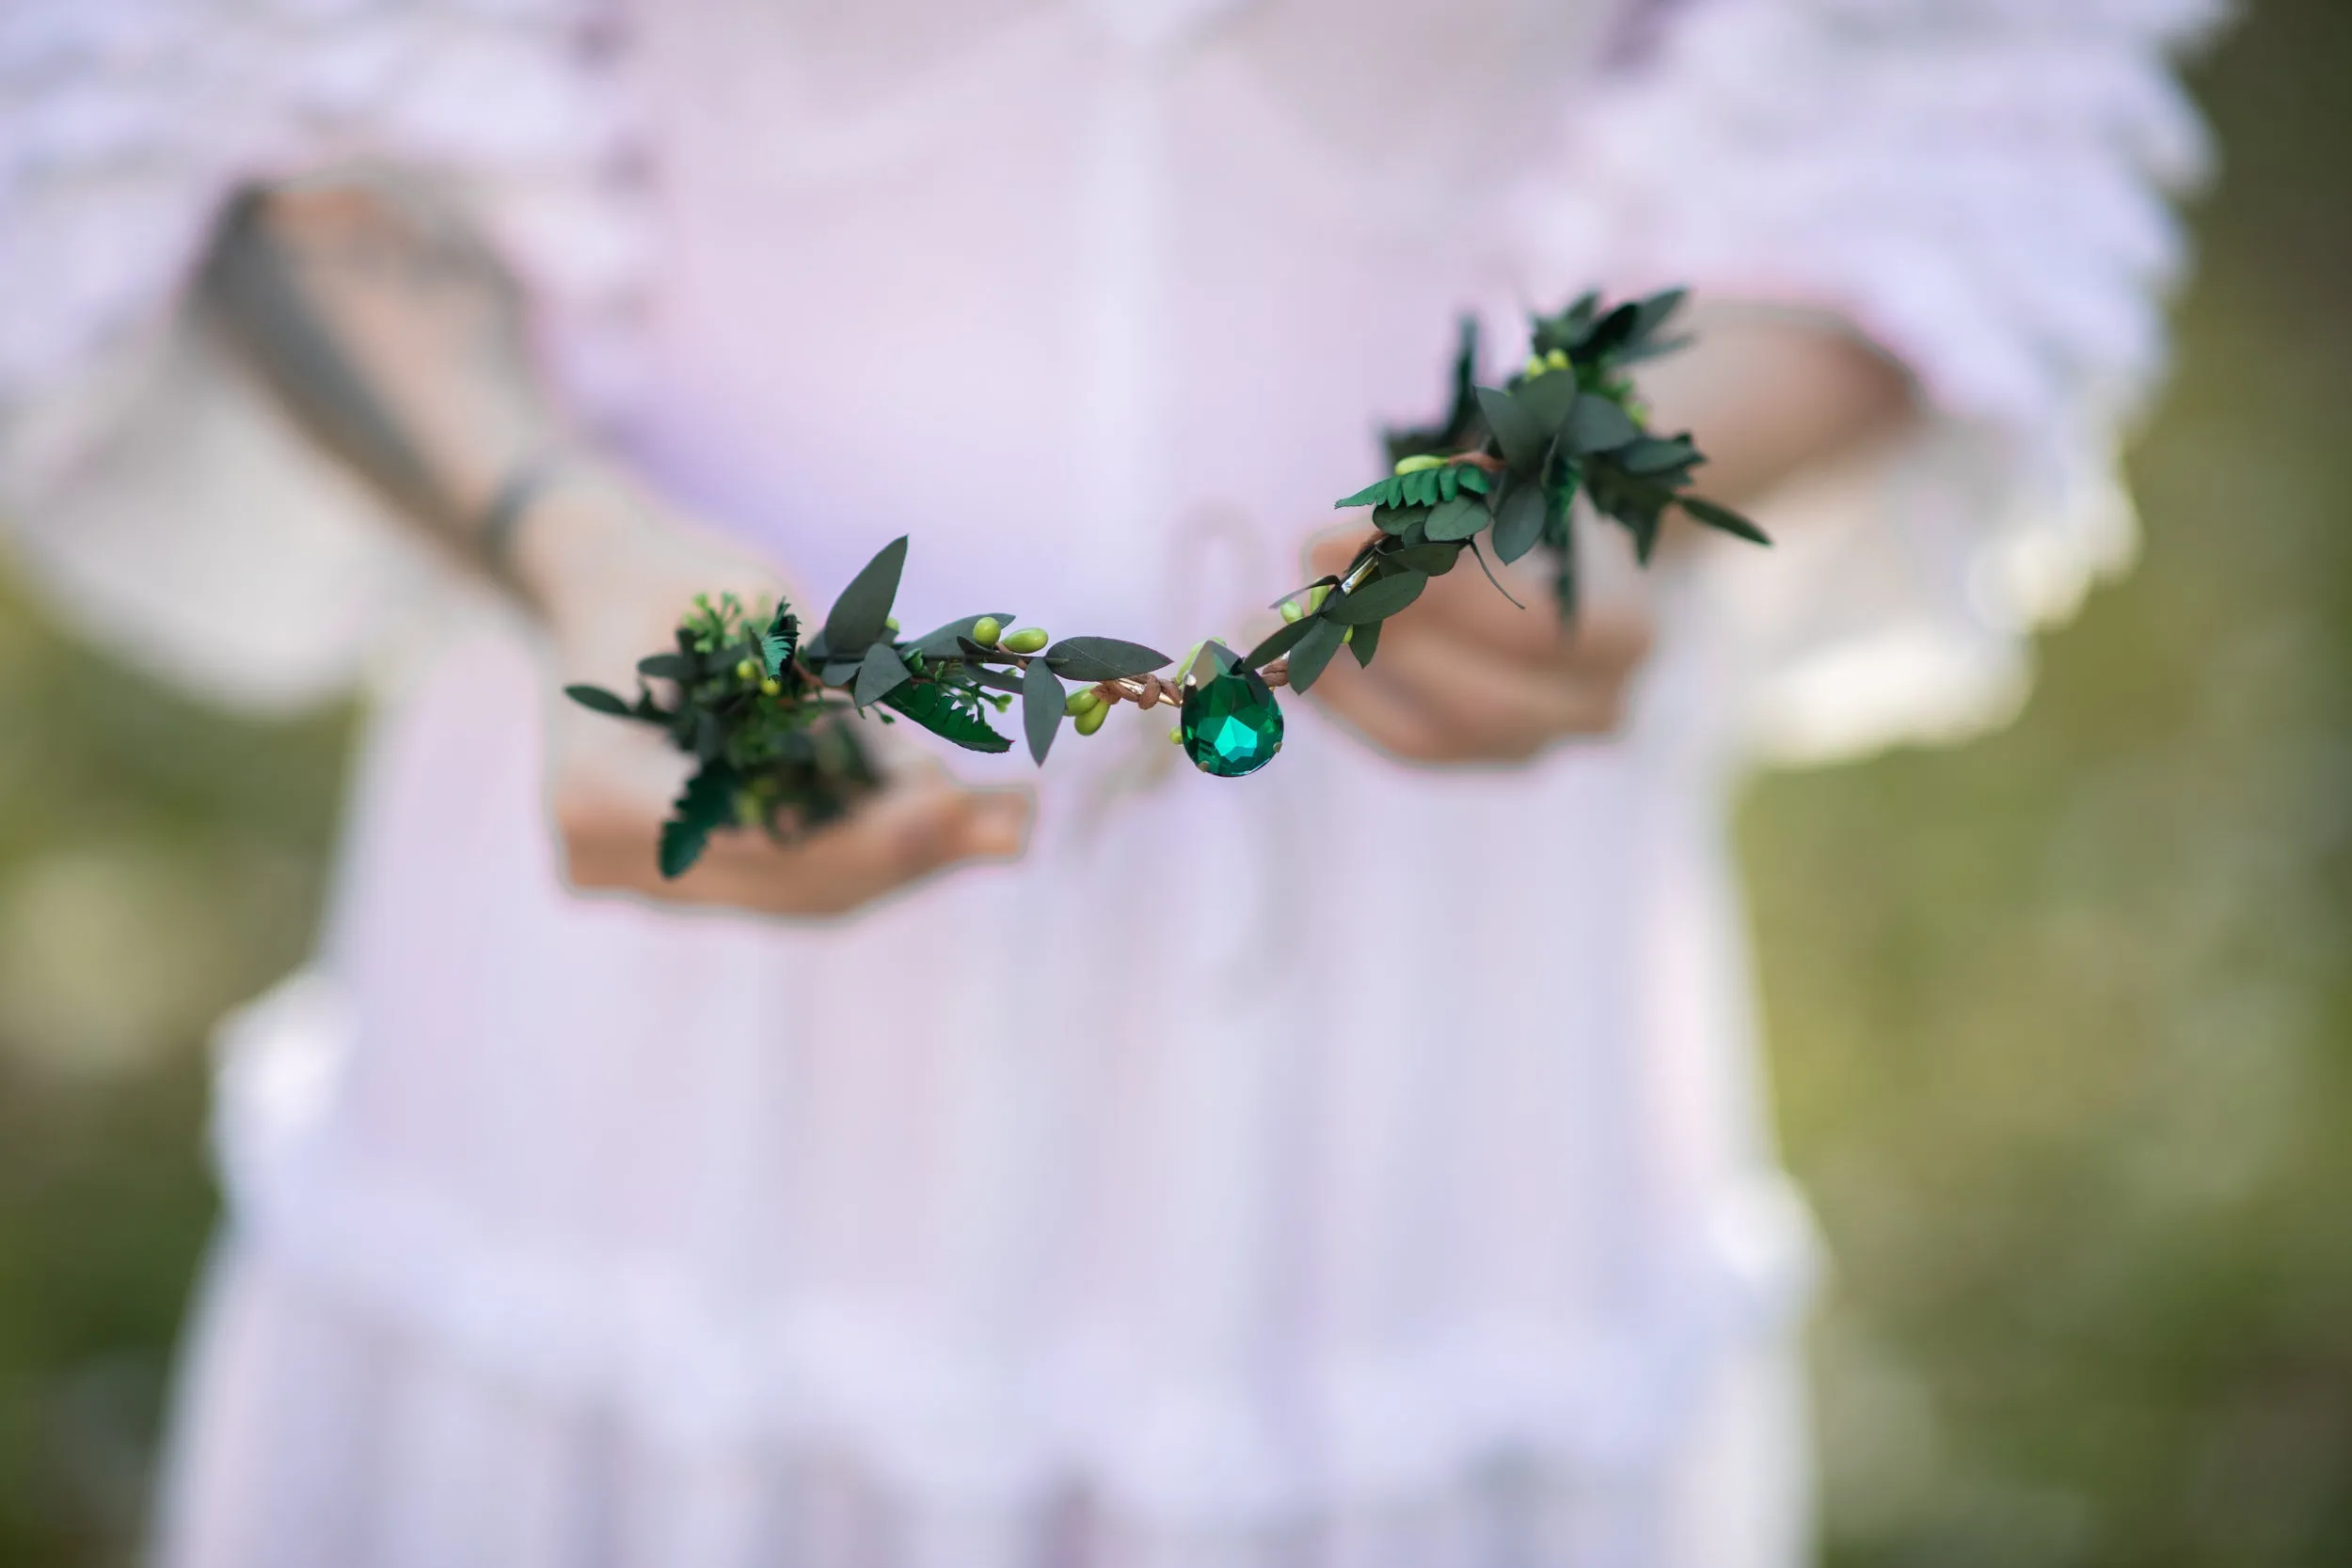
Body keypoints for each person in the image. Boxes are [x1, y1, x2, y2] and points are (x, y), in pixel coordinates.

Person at [0, 1, 2216, 1563]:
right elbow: (235, 78)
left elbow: (1947, 100)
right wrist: (557, 534)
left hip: (1415, 1069)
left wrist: (1623, 460)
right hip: (632, 990)